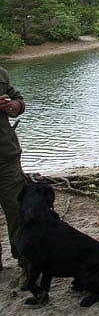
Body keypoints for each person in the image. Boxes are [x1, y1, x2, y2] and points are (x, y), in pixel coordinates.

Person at [0, 66, 27, 272]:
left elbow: (19, 103)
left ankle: (25, 261)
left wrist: (11, 106)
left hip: (6, 156)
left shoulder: (1, 73)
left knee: (17, 209)